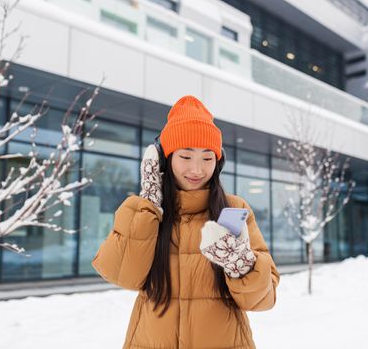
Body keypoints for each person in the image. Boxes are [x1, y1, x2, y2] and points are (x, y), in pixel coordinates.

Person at [92, 95, 280, 349]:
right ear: (166, 159)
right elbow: (123, 275)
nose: (197, 169)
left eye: (207, 157)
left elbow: (262, 299)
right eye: (186, 156)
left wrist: (241, 264)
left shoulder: (234, 209)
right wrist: (149, 205)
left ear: (218, 161)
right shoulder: (143, 211)